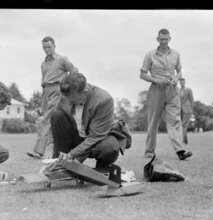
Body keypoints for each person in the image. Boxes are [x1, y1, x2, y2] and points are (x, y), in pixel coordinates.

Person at [44, 72, 131, 171]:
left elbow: (95, 136)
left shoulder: (104, 100)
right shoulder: (66, 95)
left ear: (84, 93)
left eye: (72, 99)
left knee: (109, 147)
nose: (68, 102)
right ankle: (59, 164)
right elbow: (55, 123)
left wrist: (70, 156)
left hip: (98, 139)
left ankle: (103, 168)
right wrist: (50, 145)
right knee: (57, 115)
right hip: (78, 137)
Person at [139, 28, 192, 160]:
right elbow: (142, 74)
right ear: (157, 39)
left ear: (170, 39)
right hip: (156, 91)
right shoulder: (149, 55)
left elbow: (179, 71)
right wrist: (156, 80)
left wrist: (176, 78)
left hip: (173, 91)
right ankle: (149, 151)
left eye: (166, 39)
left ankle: (180, 151)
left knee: (174, 121)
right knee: (153, 122)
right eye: (161, 39)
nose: (164, 42)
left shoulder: (176, 54)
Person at [27, 36, 78, 159]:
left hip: (57, 90)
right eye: (44, 48)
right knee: (47, 121)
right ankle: (51, 151)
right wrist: (42, 98)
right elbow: (44, 80)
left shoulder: (62, 59)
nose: (47, 50)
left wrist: (66, 85)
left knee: (46, 119)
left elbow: (75, 71)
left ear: (54, 45)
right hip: (45, 91)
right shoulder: (43, 64)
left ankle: (39, 151)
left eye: (49, 47)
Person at [179, 78, 195, 144]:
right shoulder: (179, 90)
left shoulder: (189, 90)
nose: (181, 83)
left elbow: (192, 101)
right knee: (183, 125)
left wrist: (191, 110)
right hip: (181, 110)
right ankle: (184, 140)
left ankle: (184, 140)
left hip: (188, 110)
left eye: (182, 82)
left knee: (184, 125)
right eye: (180, 82)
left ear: (185, 82)